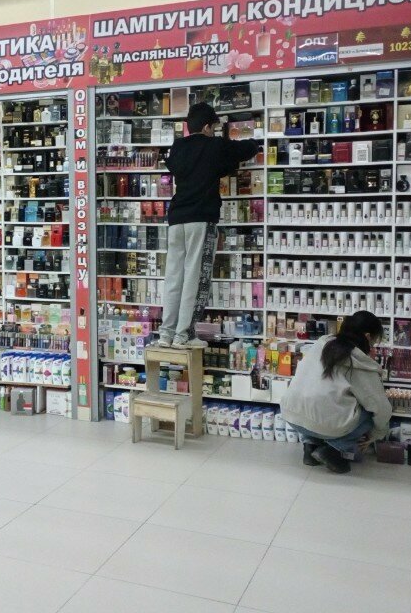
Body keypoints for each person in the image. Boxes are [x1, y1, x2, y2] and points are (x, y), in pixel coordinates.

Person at [157, 102, 259, 348]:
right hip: (201, 218)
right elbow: (245, 149)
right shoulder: (214, 145)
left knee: (173, 277)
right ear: (206, 127)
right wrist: (256, 142)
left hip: (176, 218)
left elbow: (189, 167)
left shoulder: (178, 147)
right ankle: (184, 335)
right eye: (213, 127)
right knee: (195, 277)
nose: (213, 132)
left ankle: (166, 334)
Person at [280, 311, 392, 474]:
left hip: (291, 415)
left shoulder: (322, 343)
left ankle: (310, 446)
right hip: (324, 425)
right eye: (374, 341)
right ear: (367, 337)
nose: (373, 346)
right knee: (370, 414)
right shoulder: (359, 362)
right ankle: (332, 450)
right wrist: (377, 434)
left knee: (318, 404)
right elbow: (380, 407)